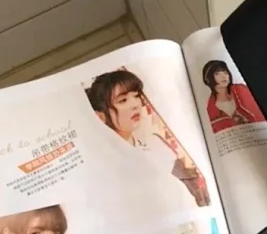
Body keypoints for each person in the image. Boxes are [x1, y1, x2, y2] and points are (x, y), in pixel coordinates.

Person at [86, 70, 210, 206]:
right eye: (123, 100)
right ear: (100, 116)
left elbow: (184, 174)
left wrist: (192, 181)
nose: (135, 104)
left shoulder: (155, 144)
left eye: (136, 96)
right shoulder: (103, 165)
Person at [202, 60, 265, 133]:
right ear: (208, 79)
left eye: (225, 72)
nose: (223, 76)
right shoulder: (211, 110)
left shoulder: (242, 91)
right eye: (217, 74)